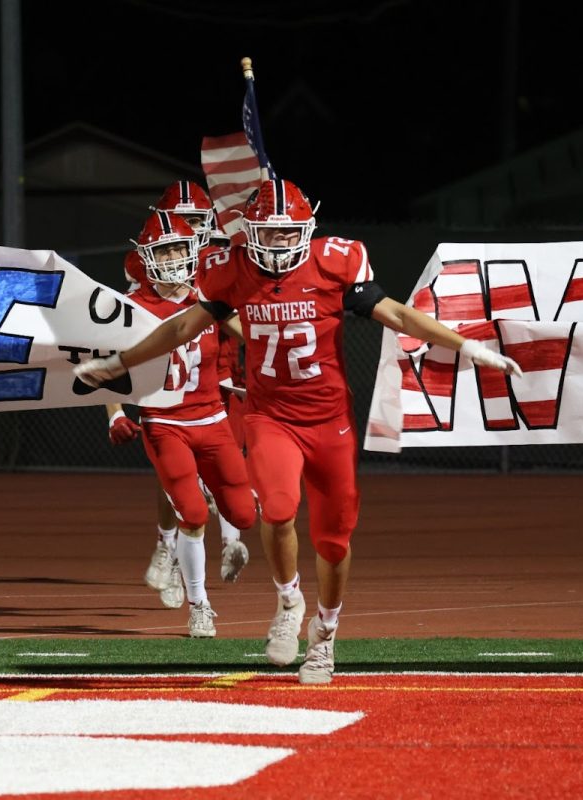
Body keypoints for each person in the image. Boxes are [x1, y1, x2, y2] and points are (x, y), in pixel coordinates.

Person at [77, 178, 521, 682]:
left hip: (329, 420)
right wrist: (120, 363)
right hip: (272, 416)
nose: (281, 243)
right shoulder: (232, 269)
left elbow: (394, 312)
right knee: (279, 506)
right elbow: (183, 327)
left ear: (307, 230)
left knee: (333, 541)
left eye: (290, 234)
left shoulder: (337, 259)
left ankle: (326, 634)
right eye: (269, 232)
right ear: (251, 231)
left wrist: (466, 346)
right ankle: (289, 600)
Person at [108, 210, 256, 636]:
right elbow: (106, 367)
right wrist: (115, 412)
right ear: (147, 257)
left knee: (244, 514)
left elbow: (254, 335)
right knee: (192, 513)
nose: (173, 257)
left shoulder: (209, 298)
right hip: (163, 420)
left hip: (212, 417)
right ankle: (200, 605)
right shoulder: (131, 308)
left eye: (178, 247)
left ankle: (223, 544)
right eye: (165, 249)